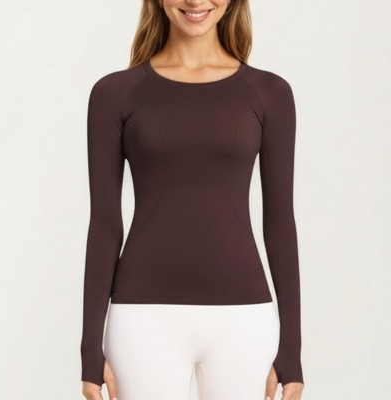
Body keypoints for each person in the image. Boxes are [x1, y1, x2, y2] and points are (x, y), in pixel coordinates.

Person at [80, 0, 305, 399]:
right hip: (142, 320)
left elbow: (280, 222)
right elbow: (104, 224)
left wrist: (292, 349)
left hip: (244, 319)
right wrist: (88, 350)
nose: (195, 1)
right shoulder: (114, 93)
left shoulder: (270, 93)